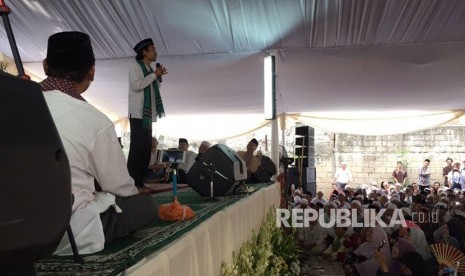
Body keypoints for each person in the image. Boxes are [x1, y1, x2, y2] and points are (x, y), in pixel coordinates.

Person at [40, 31, 157, 255]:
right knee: (145, 207)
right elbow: (121, 188)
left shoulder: (13, 103)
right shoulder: (94, 120)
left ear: (46, 66)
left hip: (11, 230)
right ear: (91, 71)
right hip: (66, 235)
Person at [127, 38, 168, 187]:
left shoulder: (151, 70)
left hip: (148, 115)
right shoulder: (135, 66)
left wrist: (158, 78)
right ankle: (130, 182)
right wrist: (154, 76)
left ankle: (140, 181)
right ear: (144, 52)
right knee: (137, 148)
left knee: (146, 149)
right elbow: (137, 85)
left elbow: (152, 90)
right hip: (138, 114)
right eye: (153, 49)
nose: (156, 52)